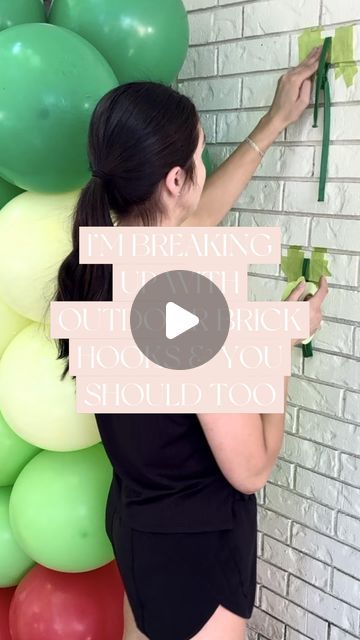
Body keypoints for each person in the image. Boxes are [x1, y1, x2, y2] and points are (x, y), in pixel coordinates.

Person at [53, 45, 328, 640]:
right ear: (176, 179)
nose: (205, 168)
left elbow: (194, 218)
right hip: (194, 556)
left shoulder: (97, 264)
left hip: (138, 530)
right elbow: (251, 469)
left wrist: (274, 120)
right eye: (201, 157)